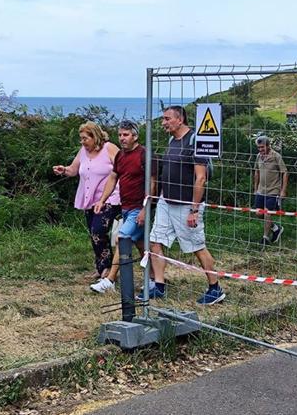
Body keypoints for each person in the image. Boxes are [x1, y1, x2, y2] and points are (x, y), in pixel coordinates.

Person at [148, 105, 225, 305]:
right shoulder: (172, 140)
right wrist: (162, 197)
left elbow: (200, 179)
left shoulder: (194, 141)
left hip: (186, 204)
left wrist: (194, 209)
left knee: (196, 246)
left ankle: (215, 287)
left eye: (167, 119)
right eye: (162, 119)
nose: (163, 122)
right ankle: (159, 285)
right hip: (167, 201)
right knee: (155, 241)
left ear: (179, 119)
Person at [89, 120, 154, 293]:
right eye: (120, 135)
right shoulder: (120, 156)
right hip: (125, 207)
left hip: (138, 207)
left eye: (126, 135)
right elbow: (113, 177)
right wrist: (102, 200)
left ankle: (110, 280)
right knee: (140, 244)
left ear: (135, 136)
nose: (122, 139)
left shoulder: (144, 154)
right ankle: (155, 280)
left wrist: (146, 208)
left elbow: (153, 181)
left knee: (122, 237)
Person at [53, 121, 121, 281]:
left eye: (85, 138)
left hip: (109, 198)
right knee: (93, 233)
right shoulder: (83, 151)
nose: (82, 142)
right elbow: (73, 170)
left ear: (94, 136)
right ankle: (101, 267)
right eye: (81, 138)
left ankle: (108, 270)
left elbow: (122, 167)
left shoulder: (109, 148)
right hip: (89, 198)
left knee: (99, 231)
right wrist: (63, 170)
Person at [253, 135, 288, 246]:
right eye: (259, 148)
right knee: (258, 213)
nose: (260, 150)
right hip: (261, 190)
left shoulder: (276, 156)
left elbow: (285, 172)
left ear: (268, 145)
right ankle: (276, 228)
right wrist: (255, 188)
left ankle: (265, 238)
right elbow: (256, 172)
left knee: (267, 213)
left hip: (273, 190)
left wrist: (283, 191)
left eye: (262, 147)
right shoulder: (258, 156)